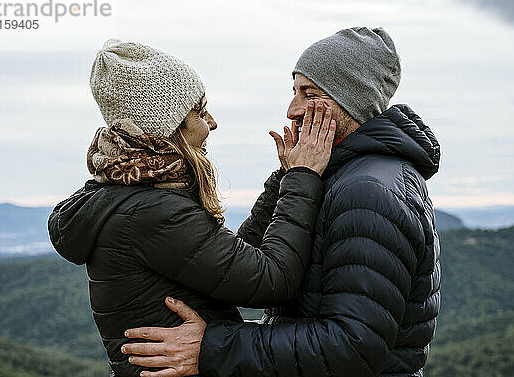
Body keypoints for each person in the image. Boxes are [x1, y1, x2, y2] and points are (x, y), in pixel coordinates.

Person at [121, 27, 441, 377]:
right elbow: (246, 265)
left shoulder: (368, 191)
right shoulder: (330, 174)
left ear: (352, 100)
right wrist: (291, 177)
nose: (292, 110)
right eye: (294, 92)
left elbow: (354, 346)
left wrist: (211, 347)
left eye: (310, 94)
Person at [47, 38, 336, 377]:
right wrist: (303, 177)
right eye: (199, 112)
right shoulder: (150, 211)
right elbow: (271, 279)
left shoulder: (134, 197)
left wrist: (283, 180)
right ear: (168, 128)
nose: (211, 122)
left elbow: (231, 260)